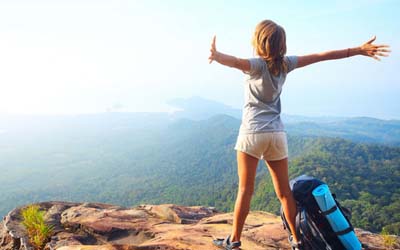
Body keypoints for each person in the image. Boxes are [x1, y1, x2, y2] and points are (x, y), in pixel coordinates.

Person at [208, 19, 390, 250]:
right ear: (281, 44)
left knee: (245, 190)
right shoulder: (286, 64)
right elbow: (321, 55)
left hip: (252, 133)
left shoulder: (255, 65)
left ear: (259, 42)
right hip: (276, 135)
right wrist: (358, 50)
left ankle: (233, 240)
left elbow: (234, 62)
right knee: (285, 192)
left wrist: (217, 55)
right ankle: (296, 240)